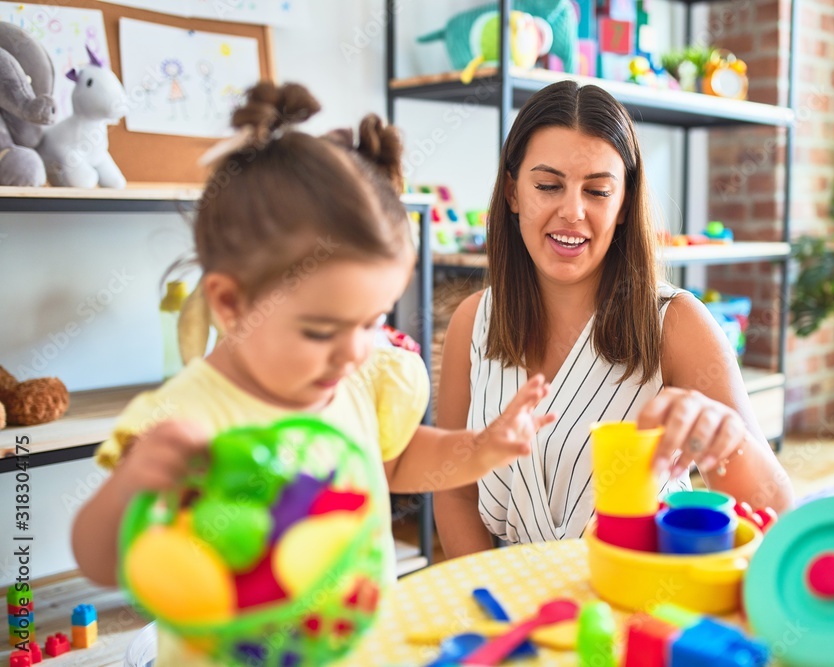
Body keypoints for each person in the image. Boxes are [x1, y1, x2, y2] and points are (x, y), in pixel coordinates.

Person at [71, 82, 553, 663]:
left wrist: (480, 448)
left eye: (373, 321)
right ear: (231, 304)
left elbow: (394, 463)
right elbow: (97, 558)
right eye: (322, 330)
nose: (354, 351)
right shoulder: (187, 414)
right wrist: (136, 483)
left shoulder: (353, 378)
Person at [434, 80, 793, 557]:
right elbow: (454, 489)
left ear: (624, 204)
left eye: (598, 191)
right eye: (548, 186)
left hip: (647, 602)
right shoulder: (472, 323)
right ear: (513, 193)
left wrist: (725, 442)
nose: (572, 211)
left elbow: (780, 517)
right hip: (515, 608)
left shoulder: (676, 322)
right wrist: (491, 602)